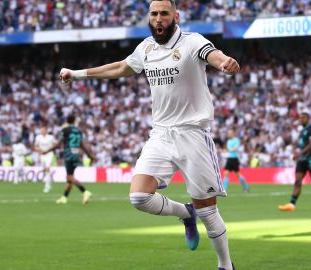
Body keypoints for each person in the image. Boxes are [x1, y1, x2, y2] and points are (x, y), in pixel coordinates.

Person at [59, 1, 239, 269]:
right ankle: (185, 214)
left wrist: (225, 62)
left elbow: (214, 54)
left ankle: (225, 265)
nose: (158, 19)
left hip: (193, 134)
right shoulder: (146, 48)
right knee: (139, 197)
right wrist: (78, 73)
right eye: (154, 14)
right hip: (161, 135)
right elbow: (120, 68)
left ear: (176, 16)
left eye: (164, 14)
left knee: (208, 211)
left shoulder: (192, 42)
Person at [278, 111, 311, 212]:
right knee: (297, 181)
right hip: (302, 160)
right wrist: (297, 152)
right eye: (300, 118)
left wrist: (300, 153)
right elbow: (303, 144)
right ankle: (292, 204)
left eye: (303, 118)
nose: (301, 120)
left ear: (308, 119)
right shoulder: (302, 131)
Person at [42, 115, 94, 205]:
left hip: (69, 155)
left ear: (67, 121)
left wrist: (47, 151)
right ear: (74, 121)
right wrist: (89, 155)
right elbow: (81, 144)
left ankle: (85, 191)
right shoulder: (78, 131)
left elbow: (58, 144)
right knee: (70, 177)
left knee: (69, 177)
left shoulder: (65, 130)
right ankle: (64, 197)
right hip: (76, 155)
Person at [34, 126, 55, 193]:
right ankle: (49, 181)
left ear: (46, 131)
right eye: (41, 130)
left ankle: (47, 186)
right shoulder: (38, 137)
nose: (42, 131)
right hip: (42, 155)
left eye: (43, 130)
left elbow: (55, 145)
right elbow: (36, 146)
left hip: (49, 154)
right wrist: (39, 150)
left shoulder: (51, 137)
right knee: (45, 170)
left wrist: (49, 150)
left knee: (47, 168)